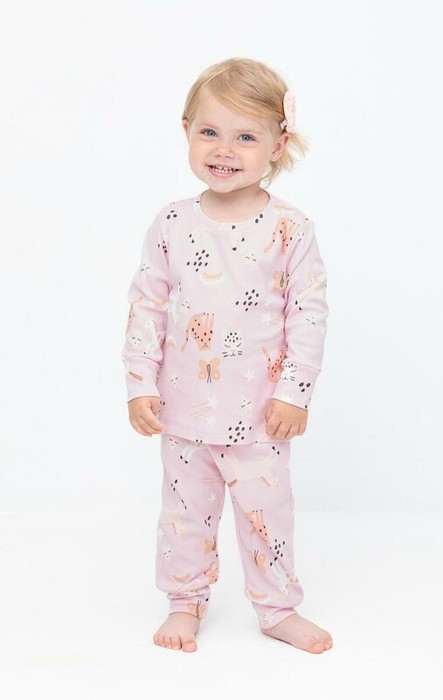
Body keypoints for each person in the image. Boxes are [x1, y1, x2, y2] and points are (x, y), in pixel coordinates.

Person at [122, 57, 332, 654]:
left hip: (261, 416)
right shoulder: (171, 223)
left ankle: (277, 608)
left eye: (246, 137)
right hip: (182, 412)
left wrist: (294, 393)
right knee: (184, 515)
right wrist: (140, 384)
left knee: (268, 515)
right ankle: (184, 601)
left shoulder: (291, 229)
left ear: (277, 144)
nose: (224, 150)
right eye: (210, 131)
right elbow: (146, 305)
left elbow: (308, 315)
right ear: (186, 130)